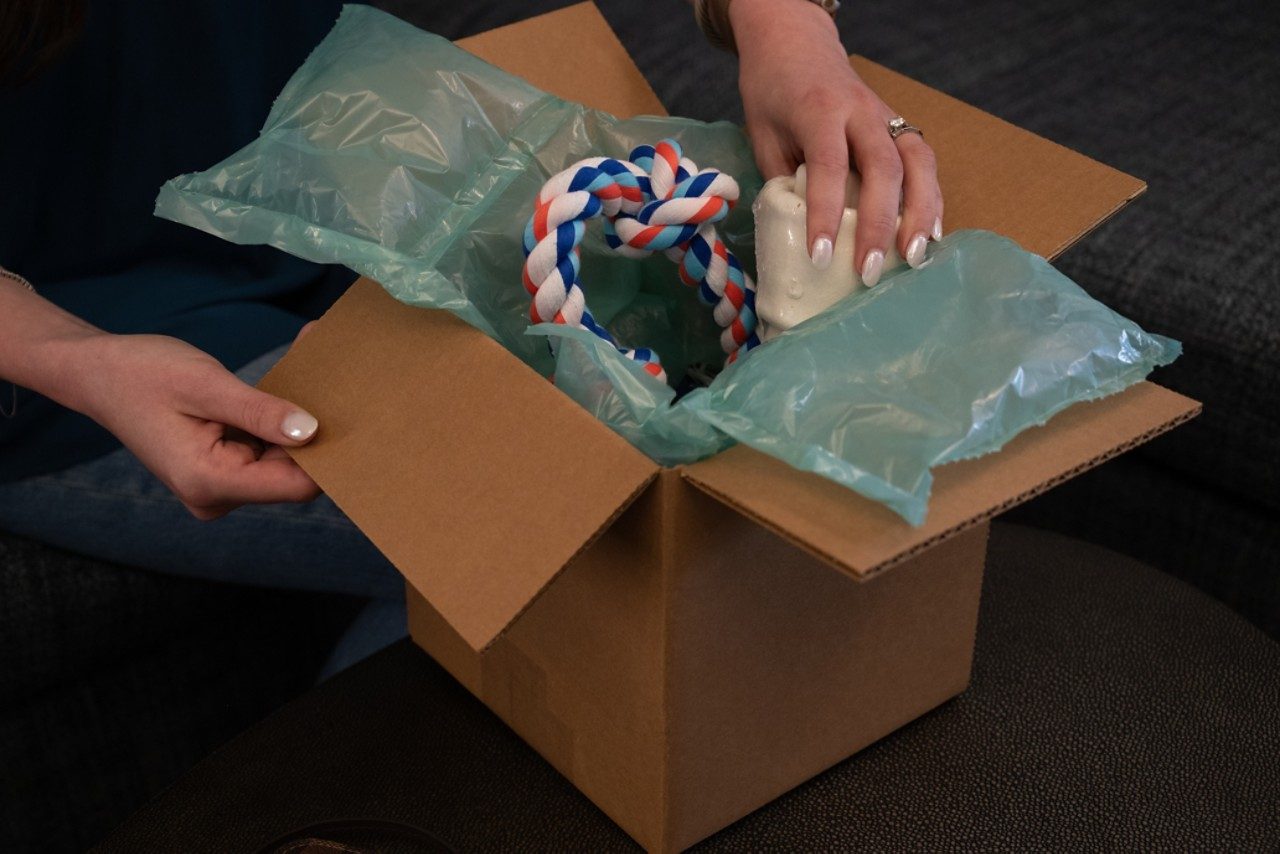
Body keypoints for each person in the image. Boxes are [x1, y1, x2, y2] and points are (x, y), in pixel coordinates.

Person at [0, 0, 942, 677]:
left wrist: (787, 29)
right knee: (611, 538)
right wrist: (72, 361)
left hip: (338, 164)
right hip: (78, 328)